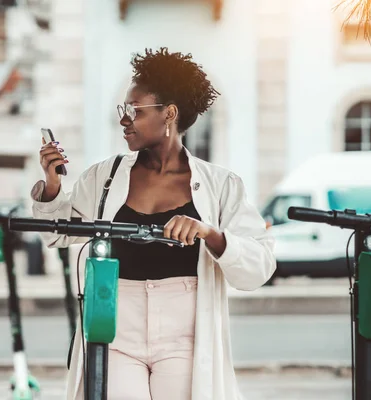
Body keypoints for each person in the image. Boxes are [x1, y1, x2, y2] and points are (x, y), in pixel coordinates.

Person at [30, 48, 276, 400]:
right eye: (123, 110)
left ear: (169, 114)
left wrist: (210, 234)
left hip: (185, 329)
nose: (124, 120)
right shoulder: (105, 177)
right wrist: (53, 187)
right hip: (114, 321)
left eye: (135, 110)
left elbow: (259, 266)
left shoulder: (220, 185)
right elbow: (58, 235)